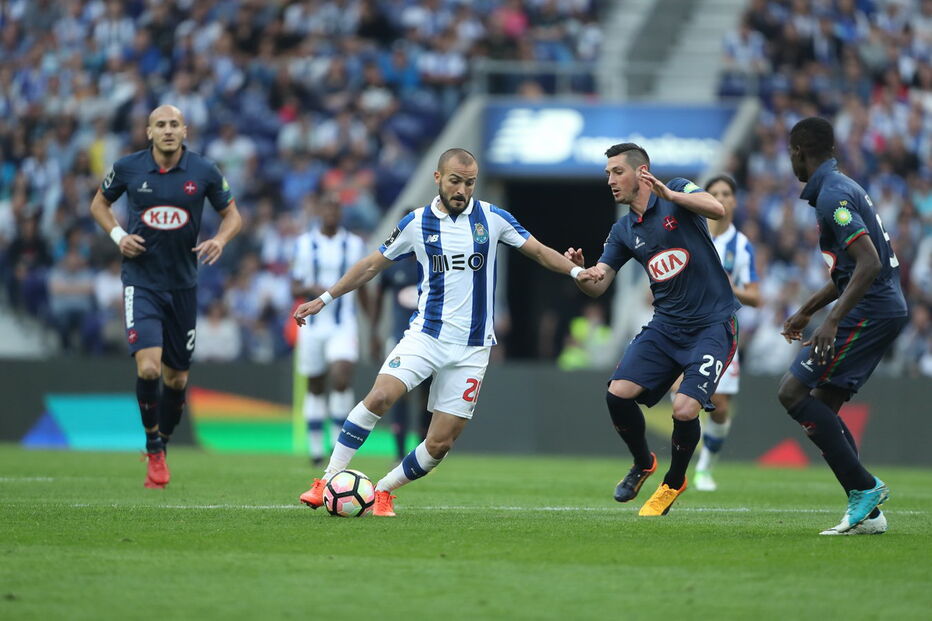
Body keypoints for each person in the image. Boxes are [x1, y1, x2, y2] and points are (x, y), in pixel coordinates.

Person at [295, 148, 600, 516]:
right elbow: (371, 265)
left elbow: (537, 250)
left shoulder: (493, 218)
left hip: (472, 348)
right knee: (379, 397)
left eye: (469, 183)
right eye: (455, 181)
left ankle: (383, 491)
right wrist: (324, 299)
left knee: (439, 444)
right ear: (438, 178)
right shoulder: (416, 223)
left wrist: (574, 271)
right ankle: (327, 478)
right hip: (426, 335)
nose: (462, 190)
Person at [566, 142, 738, 517]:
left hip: (712, 324)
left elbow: (717, 209)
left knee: (685, 408)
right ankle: (643, 462)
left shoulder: (678, 189)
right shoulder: (623, 230)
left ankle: (673, 483)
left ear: (642, 172)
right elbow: (599, 283)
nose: (610, 180)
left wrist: (671, 193)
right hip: (666, 327)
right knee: (617, 394)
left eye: (617, 172)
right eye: (607, 174)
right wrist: (581, 273)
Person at [89, 105, 242, 488]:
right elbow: (98, 205)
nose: (168, 130)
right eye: (161, 124)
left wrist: (220, 240)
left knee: (176, 380)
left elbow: (234, 215)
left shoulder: (203, 171)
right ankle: (153, 447)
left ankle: (164, 440)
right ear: (149, 131)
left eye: (175, 124)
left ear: (184, 131)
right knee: (149, 368)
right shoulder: (128, 168)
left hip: (183, 287)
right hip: (141, 283)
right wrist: (118, 237)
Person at [778, 117, 908, 535]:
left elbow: (869, 263)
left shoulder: (833, 194)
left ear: (800, 152)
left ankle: (865, 487)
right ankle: (867, 514)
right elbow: (846, 272)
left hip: (871, 309)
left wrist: (830, 322)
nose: (790, 162)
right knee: (824, 408)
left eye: (791, 154)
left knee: (793, 393)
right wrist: (807, 310)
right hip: (879, 305)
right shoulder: (839, 187)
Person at [684, 175, 762, 492]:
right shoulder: (692, 233)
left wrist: (732, 288)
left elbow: (756, 296)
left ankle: (704, 468)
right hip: (687, 326)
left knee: (720, 408)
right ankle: (679, 468)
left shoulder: (741, 245)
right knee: (684, 395)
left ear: (734, 201)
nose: (720, 197)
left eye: (726, 193)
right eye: (713, 193)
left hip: (722, 331)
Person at [291, 194, 369, 466]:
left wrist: (370, 326)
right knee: (315, 386)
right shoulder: (304, 244)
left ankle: (338, 444)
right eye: (327, 209)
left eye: (336, 210)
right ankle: (315, 450)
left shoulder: (355, 244)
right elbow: (294, 286)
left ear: (341, 214)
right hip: (312, 326)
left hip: (342, 324)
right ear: (319, 212)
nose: (331, 214)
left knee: (341, 377)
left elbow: (363, 285)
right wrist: (312, 291)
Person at [369, 230, 432, 460]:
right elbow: (378, 298)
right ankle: (398, 450)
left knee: (426, 395)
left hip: (429, 339)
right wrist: (374, 332)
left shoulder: (434, 263)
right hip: (398, 338)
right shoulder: (394, 266)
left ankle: (423, 449)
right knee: (398, 393)